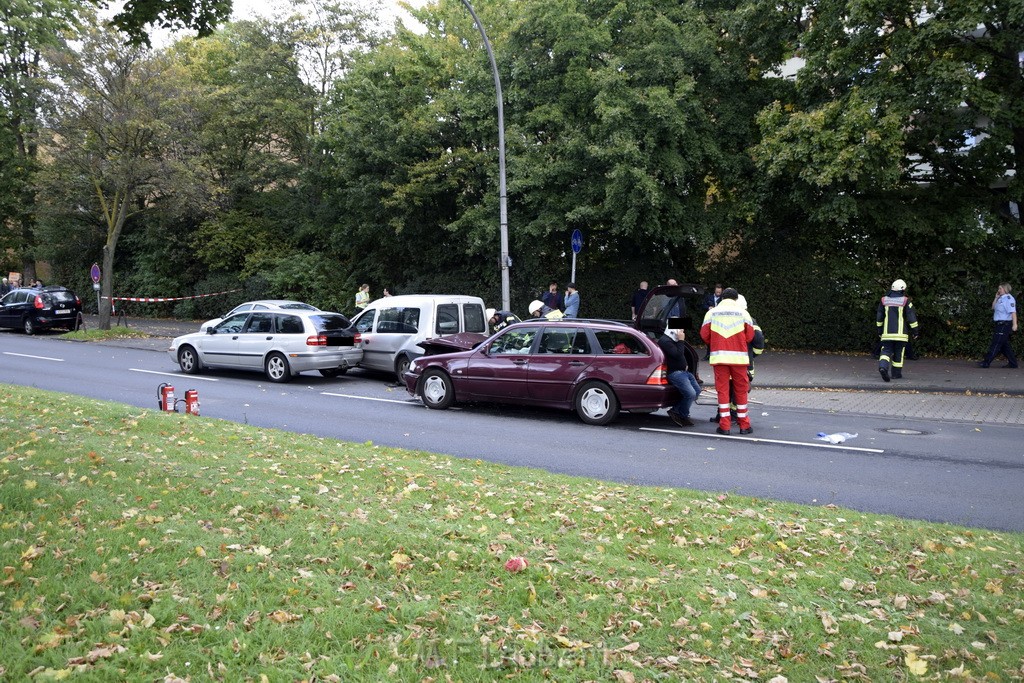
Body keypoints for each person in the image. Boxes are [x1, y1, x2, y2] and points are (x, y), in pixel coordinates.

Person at [701, 288, 755, 435]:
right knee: (741, 390)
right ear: (736, 299)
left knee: (723, 390)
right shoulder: (744, 313)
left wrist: (716, 343)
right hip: (739, 358)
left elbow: (704, 334)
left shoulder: (711, 313)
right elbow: (750, 336)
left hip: (720, 358)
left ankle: (724, 426)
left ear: (721, 298)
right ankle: (744, 425)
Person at [876, 279, 919, 381]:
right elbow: (911, 317)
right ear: (903, 289)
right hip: (901, 335)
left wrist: (879, 330)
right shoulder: (905, 301)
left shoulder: (884, 300)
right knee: (899, 353)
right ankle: (896, 374)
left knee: (885, 351)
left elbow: (879, 316)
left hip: (887, 334)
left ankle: (883, 367)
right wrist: (915, 331)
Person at [658, 326, 701, 427]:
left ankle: (676, 410)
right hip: (675, 373)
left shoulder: (672, 340)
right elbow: (678, 354)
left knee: (697, 391)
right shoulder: (665, 341)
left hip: (683, 372)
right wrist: (681, 340)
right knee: (690, 394)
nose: (682, 332)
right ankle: (683, 415)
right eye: (681, 329)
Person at [978, 283, 1018, 368]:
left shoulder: (1009, 299)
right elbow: (993, 307)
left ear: (1005, 289)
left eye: (1000, 288)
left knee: (996, 343)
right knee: (1004, 346)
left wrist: (1015, 324)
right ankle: (1013, 363)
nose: (998, 290)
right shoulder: (1000, 298)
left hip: (1004, 324)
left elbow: (1013, 312)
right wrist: (996, 297)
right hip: (999, 324)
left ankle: (986, 362)